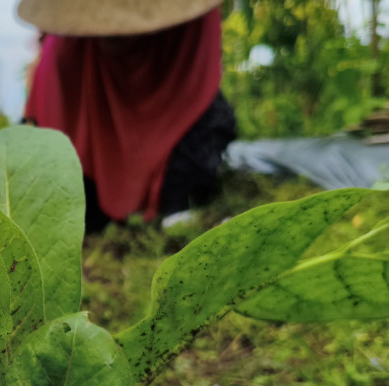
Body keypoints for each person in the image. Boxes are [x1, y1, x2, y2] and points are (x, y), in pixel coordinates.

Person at [18, 0, 237, 231]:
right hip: (87, 95)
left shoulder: (191, 36)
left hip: (179, 93)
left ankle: (176, 197)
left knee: (204, 136)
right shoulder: (64, 55)